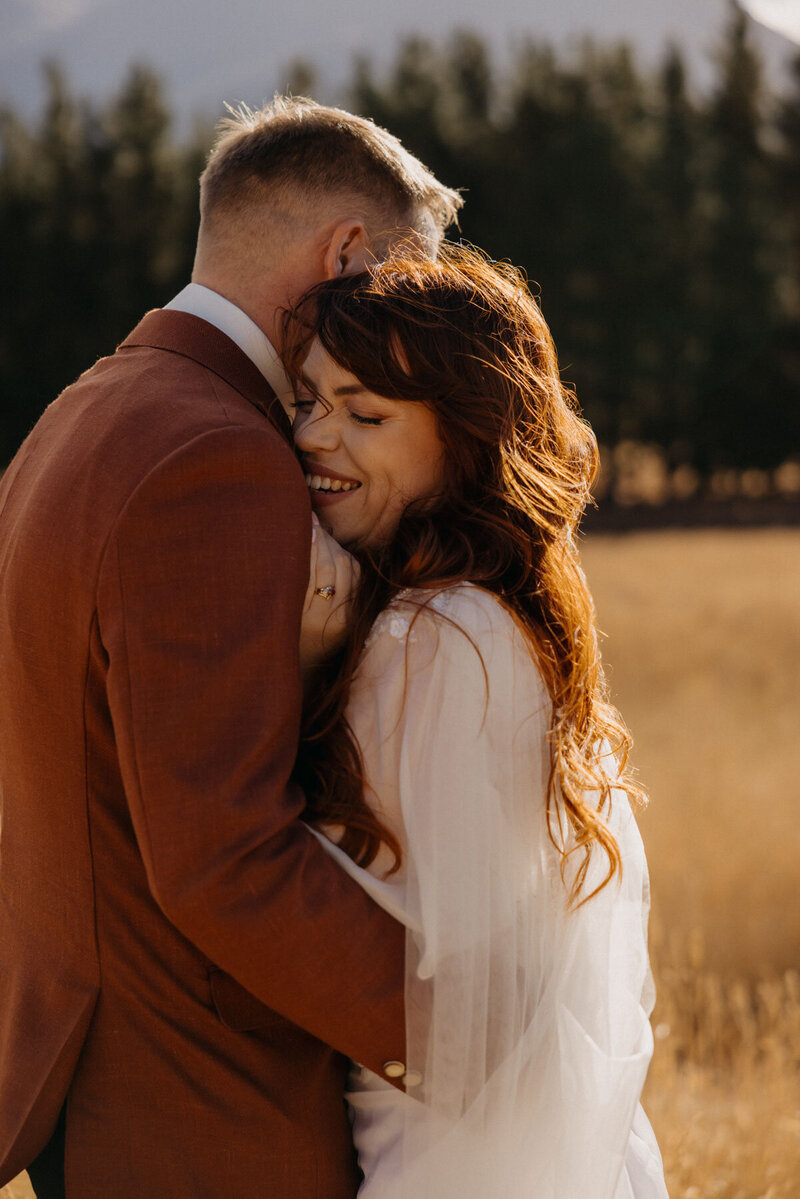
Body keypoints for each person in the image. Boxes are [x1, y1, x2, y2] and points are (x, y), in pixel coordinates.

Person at [0, 98, 461, 1198]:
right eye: (401, 280)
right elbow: (221, 851)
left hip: (105, 1078)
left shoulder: (83, 412)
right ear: (346, 254)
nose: (406, 323)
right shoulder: (215, 454)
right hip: (204, 1108)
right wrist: (464, 1033)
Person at [285, 245, 670, 1197]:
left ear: (464, 435)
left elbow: (468, 983)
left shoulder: (439, 637)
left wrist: (296, 674)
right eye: (307, 400)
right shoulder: (470, 610)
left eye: (365, 413)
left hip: (458, 1157)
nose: (313, 436)